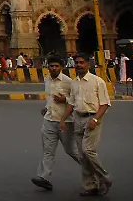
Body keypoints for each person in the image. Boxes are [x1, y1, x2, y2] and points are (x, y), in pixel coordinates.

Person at [31, 56, 80, 191]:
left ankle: (92, 171)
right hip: (49, 120)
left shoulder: (68, 82)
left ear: (61, 67)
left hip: (65, 122)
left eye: (56, 66)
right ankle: (44, 177)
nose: (54, 68)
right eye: (51, 66)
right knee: (48, 151)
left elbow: (76, 100)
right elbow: (50, 97)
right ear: (48, 67)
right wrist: (47, 107)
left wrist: (65, 99)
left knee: (72, 151)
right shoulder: (47, 79)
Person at [71, 54, 112, 196]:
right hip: (78, 118)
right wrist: (63, 119)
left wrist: (95, 120)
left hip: (92, 118)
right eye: (77, 62)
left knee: (88, 150)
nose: (79, 65)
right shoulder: (74, 83)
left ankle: (104, 177)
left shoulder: (97, 81)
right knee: (82, 155)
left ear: (88, 64)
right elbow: (71, 103)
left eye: (82, 62)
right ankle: (90, 185)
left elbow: (104, 104)